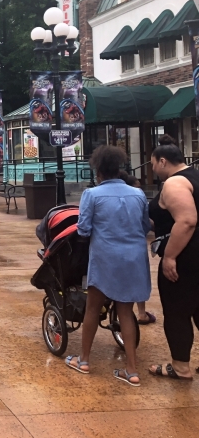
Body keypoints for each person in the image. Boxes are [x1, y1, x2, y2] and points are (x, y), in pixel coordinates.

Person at [66, 145, 150, 387]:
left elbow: (83, 229)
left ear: (98, 172)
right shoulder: (138, 194)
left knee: (92, 308)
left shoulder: (92, 195)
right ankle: (132, 370)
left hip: (105, 258)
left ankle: (84, 360)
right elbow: (145, 227)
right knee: (126, 312)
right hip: (133, 259)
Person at [147, 135, 199, 381]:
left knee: (177, 310)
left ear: (163, 161)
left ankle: (180, 366)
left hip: (186, 256)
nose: (153, 168)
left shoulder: (174, 183)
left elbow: (187, 220)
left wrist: (169, 256)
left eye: (153, 163)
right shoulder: (196, 176)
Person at [119, 170, 156, 326]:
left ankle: (120, 312)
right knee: (139, 278)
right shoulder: (138, 196)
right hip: (135, 245)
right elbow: (146, 223)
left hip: (113, 248)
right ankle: (141, 312)